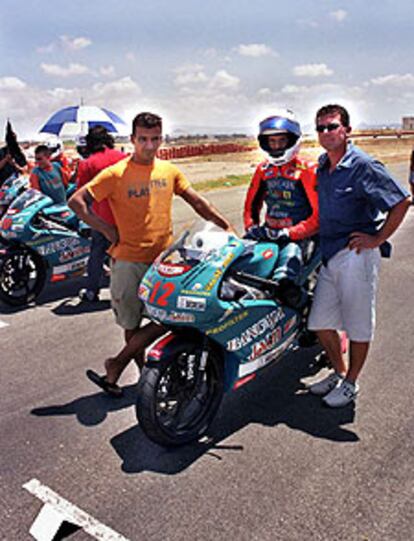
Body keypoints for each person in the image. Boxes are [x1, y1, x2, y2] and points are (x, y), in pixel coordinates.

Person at [69, 111, 235, 396]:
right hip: (127, 262)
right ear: (132, 139)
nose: (149, 145)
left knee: (172, 318)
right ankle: (148, 377)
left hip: (164, 261)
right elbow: (77, 201)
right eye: (143, 139)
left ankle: (117, 365)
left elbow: (197, 201)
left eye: (155, 139)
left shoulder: (168, 171)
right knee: (131, 323)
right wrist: (106, 230)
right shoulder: (116, 173)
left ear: (162, 138)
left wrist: (226, 226)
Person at [307, 103, 410, 408]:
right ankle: (339, 373)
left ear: (347, 130)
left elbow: (402, 201)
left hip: (356, 255)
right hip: (329, 254)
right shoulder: (323, 166)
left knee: (358, 325)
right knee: (320, 323)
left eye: (332, 126)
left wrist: (377, 238)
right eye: (321, 127)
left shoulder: (364, 165)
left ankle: (351, 382)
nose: (326, 133)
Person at [243, 110, 319, 307]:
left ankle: (307, 309)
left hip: (300, 238)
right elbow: (251, 206)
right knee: (239, 271)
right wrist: (251, 228)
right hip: (269, 235)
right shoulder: (263, 170)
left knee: (285, 284)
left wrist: (291, 233)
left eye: (281, 141)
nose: (276, 146)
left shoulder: (308, 169)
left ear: (292, 140)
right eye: (272, 142)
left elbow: (319, 215)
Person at [75, 126, 126, 302]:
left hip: (101, 218)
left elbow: (79, 194)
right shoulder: (123, 158)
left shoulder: (87, 164)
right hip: (126, 215)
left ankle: (92, 291)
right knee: (129, 254)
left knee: (96, 253)